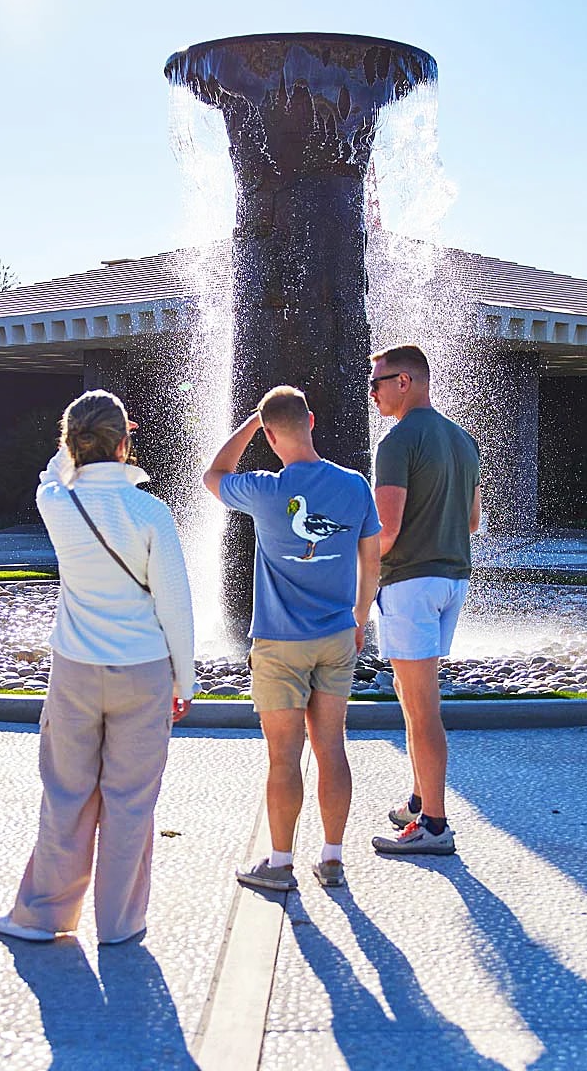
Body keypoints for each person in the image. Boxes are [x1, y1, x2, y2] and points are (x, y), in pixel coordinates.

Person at [0, 390, 195, 946]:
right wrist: (185, 680)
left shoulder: (55, 502)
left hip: (76, 670)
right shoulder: (151, 512)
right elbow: (175, 605)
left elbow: (51, 472)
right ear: (125, 442)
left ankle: (43, 917)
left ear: (71, 443)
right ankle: (120, 923)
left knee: (66, 795)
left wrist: (72, 450)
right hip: (143, 670)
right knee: (131, 803)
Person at [203, 386, 380, 890]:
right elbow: (372, 560)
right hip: (337, 636)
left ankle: (280, 864)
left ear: (270, 436)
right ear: (312, 421)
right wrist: (360, 617)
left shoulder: (265, 489)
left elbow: (213, 475)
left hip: (280, 643)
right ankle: (332, 859)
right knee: (332, 748)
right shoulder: (355, 485)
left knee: (284, 757)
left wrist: (249, 424)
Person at [366, 344, 481, 856]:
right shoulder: (463, 439)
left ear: (404, 382)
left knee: (422, 707)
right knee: (411, 694)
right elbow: (472, 522)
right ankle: (419, 799)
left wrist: (348, 562)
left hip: (411, 581)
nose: (372, 393)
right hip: (452, 580)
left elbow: (386, 532)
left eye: (377, 383)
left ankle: (434, 825)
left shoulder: (396, 441)